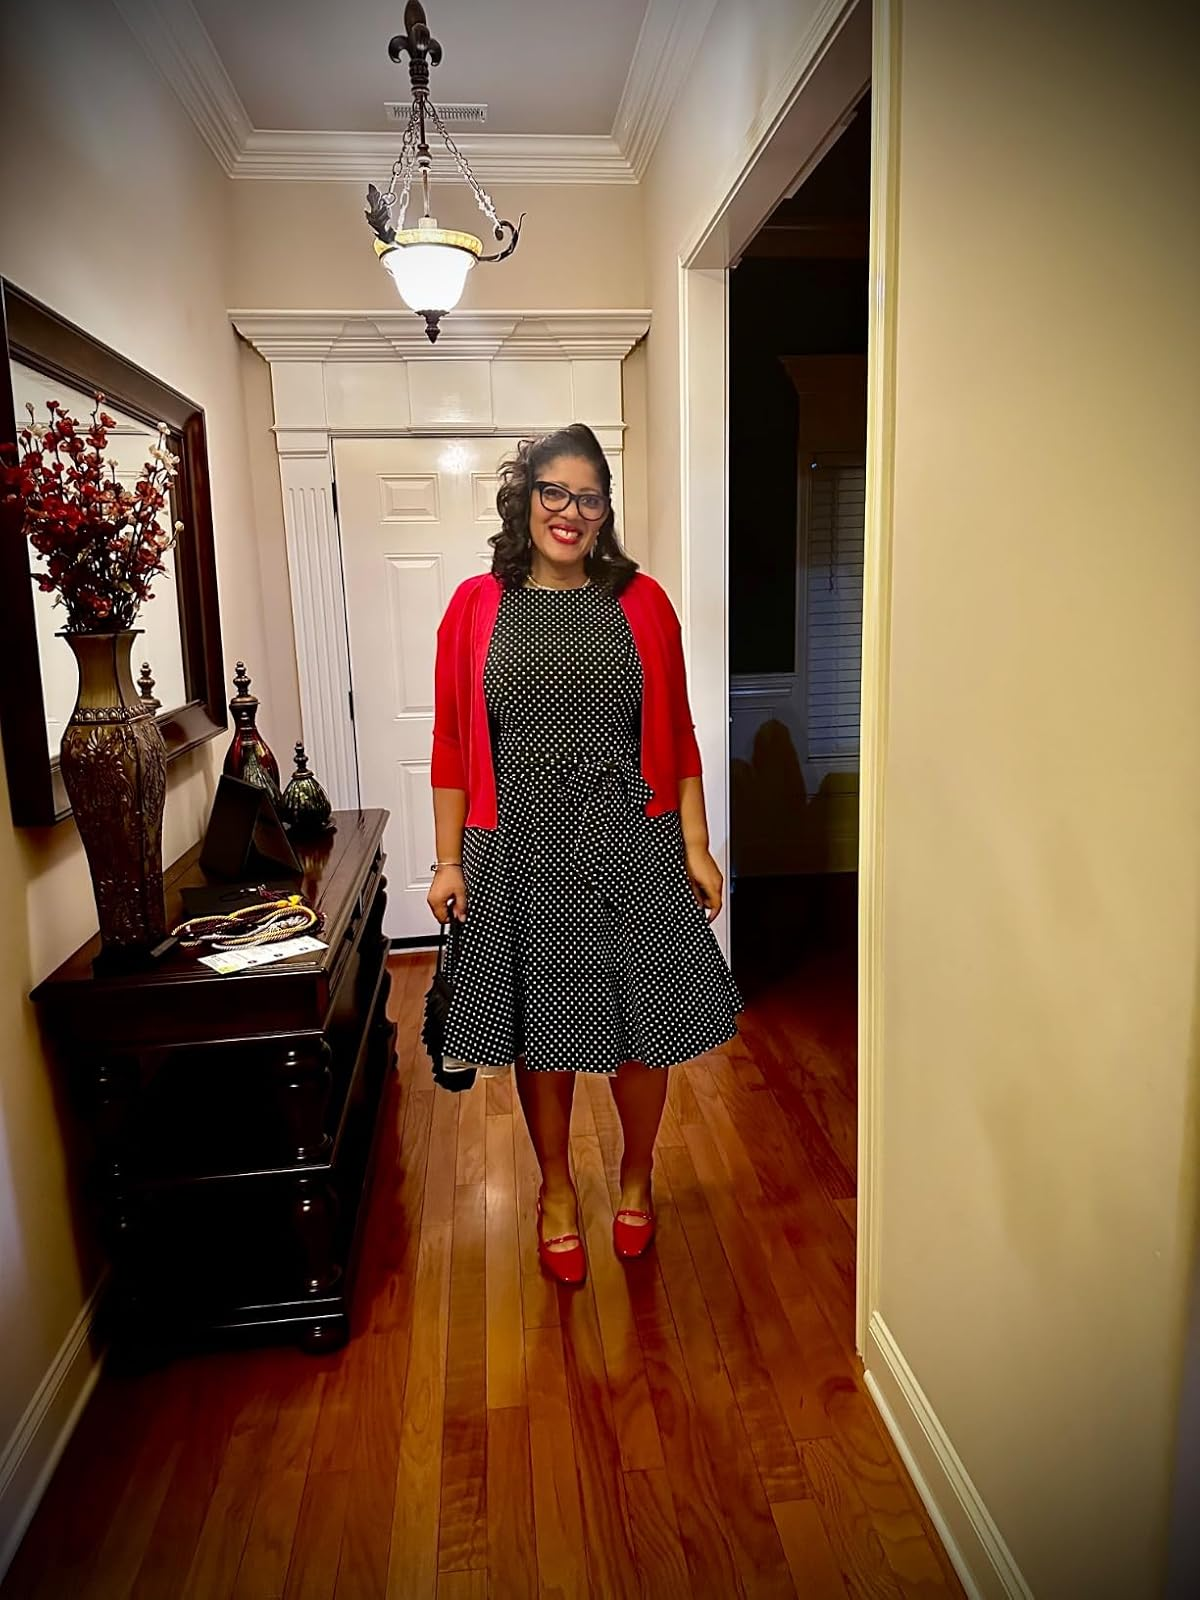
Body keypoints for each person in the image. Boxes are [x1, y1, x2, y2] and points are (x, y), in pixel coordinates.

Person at [428, 423, 742, 1284]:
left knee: (645, 1030)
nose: (569, 512)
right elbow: (455, 744)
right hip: (518, 847)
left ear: (605, 511)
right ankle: (557, 1188)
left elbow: (675, 731)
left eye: (588, 497)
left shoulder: (641, 603)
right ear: (523, 498)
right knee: (547, 1036)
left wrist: (697, 843)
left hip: (631, 838)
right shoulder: (474, 607)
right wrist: (448, 860)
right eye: (552, 493)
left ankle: (637, 1176)